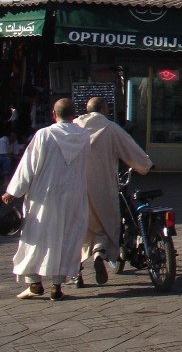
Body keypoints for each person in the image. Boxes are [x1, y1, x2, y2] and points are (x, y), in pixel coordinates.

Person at [2, 99, 91, 301]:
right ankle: (57, 286)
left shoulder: (45, 135)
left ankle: (34, 283)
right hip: (73, 195)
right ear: (73, 115)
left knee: (36, 237)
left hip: (44, 195)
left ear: (53, 114)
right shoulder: (84, 138)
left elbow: (28, 167)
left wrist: (12, 192)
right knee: (66, 238)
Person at [74, 97, 153, 287]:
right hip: (103, 187)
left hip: (75, 188)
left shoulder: (74, 128)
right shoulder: (110, 128)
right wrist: (146, 165)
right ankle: (99, 254)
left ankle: (76, 271)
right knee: (103, 224)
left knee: (77, 229)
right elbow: (131, 150)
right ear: (103, 109)